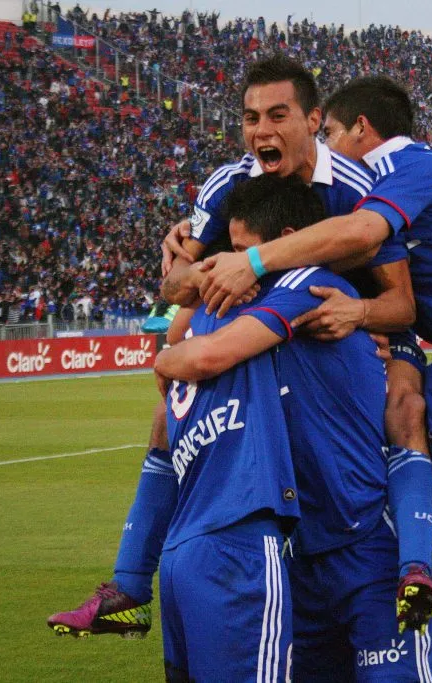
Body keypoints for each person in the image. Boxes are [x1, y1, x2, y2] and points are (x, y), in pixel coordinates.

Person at [186, 76, 432, 683]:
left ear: (359, 129)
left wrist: (257, 262)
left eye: (332, 133)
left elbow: (365, 237)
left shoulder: (408, 167)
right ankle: (424, 595)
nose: (327, 147)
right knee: (414, 473)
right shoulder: (269, 184)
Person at [48, 56, 432, 638]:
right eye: (251, 118)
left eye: (278, 116)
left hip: (359, 321)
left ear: (313, 120)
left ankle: (415, 570)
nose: (261, 131)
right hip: (276, 317)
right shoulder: (229, 184)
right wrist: (223, 270)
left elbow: (402, 305)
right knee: (171, 412)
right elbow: (174, 286)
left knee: (406, 408)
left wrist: (354, 312)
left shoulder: (358, 189)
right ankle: (129, 585)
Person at [160, 174, 432, 681]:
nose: (231, 267)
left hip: (365, 543)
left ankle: (418, 568)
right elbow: (182, 325)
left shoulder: (303, 284)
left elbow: (199, 354)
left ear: (284, 242)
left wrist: (164, 361)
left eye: (242, 253)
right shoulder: (257, 300)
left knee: (408, 415)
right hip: (300, 555)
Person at [153, 269, 298, 682]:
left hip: (181, 550)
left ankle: (127, 579)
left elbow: (176, 325)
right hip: (240, 540)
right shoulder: (272, 298)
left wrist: (164, 357)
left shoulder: (192, 326)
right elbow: (204, 355)